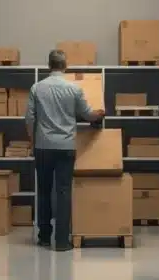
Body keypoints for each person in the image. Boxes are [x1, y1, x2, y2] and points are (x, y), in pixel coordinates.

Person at [25, 49, 105, 250]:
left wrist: (32, 141)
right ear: (65, 66)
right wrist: (98, 114)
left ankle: (44, 237)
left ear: (48, 65)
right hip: (66, 147)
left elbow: (29, 118)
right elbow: (87, 114)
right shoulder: (74, 89)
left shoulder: (37, 88)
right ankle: (61, 241)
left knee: (44, 191)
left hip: (43, 146)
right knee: (63, 191)